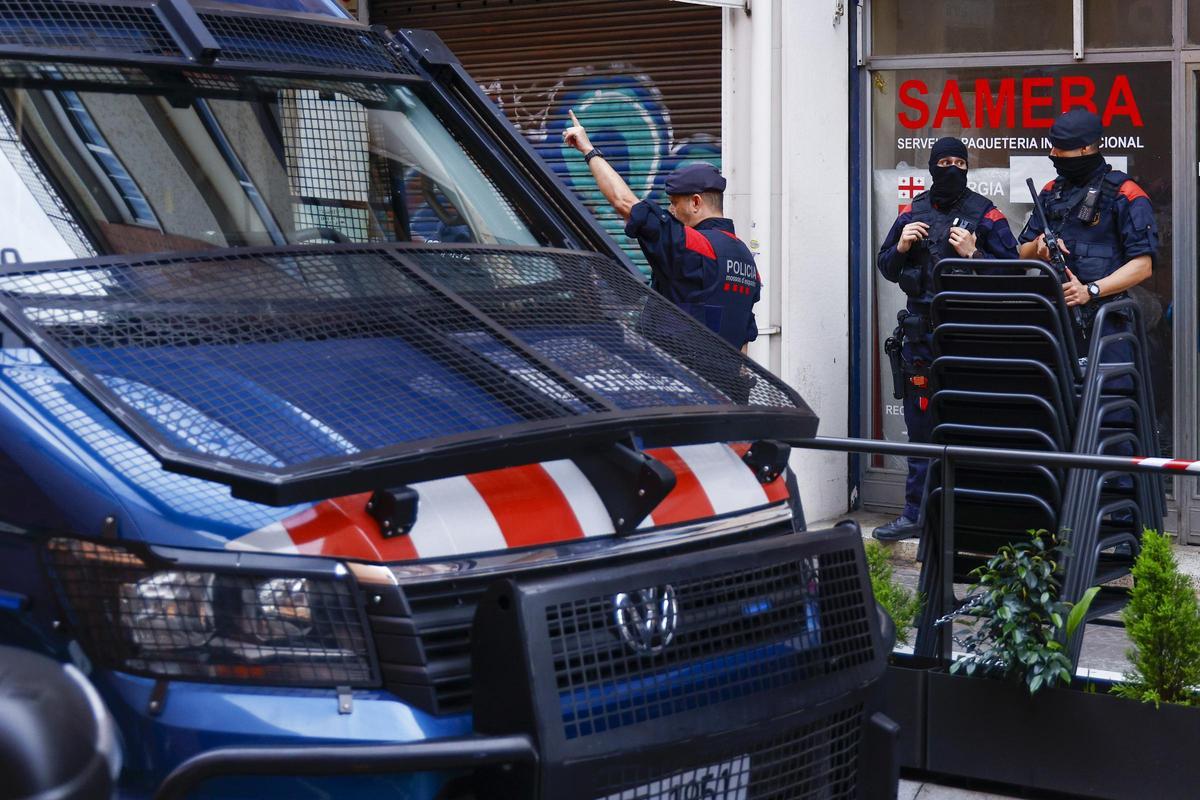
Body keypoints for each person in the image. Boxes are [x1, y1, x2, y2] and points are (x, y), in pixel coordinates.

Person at [874, 137, 1020, 542]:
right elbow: (886, 266)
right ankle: (916, 514)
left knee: (973, 426)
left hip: (969, 337)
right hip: (921, 340)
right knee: (921, 428)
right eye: (944, 162)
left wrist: (974, 254)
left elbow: (1013, 274)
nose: (952, 169)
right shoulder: (913, 211)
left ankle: (975, 516)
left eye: (960, 162)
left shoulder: (984, 213)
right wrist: (902, 246)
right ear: (932, 166)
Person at [561, 110, 761, 351]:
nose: (671, 209)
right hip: (724, 384)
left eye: (675, 202)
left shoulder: (695, 245)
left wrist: (588, 150)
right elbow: (744, 339)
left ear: (695, 202)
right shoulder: (745, 259)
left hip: (681, 379)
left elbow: (624, 203)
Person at [1017, 108, 1156, 340]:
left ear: (1085, 148)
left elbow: (1143, 266)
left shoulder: (1125, 193)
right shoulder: (1052, 191)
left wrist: (1090, 291)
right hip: (1053, 321)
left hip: (1107, 323)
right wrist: (1039, 245)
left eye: (1060, 148)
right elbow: (1022, 254)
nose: (1053, 154)